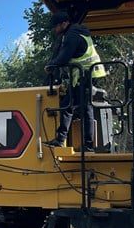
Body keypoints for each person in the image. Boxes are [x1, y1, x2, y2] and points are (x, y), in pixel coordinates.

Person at [44, 11, 106, 149]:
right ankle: (61, 140)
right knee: (68, 106)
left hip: (86, 76)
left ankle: (87, 146)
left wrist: (51, 65)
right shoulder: (78, 32)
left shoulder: (72, 35)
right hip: (86, 76)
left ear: (64, 23)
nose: (55, 30)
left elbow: (64, 57)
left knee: (85, 109)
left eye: (56, 26)